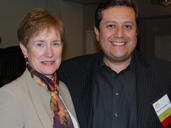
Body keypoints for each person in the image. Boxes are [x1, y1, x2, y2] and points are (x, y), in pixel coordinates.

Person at [57, 0, 171, 128]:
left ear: (136, 32)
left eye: (127, 26)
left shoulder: (166, 75)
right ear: (97, 32)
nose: (119, 34)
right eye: (111, 26)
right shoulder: (67, 73)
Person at [0, 8, 79, 128]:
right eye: (40, 44)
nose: (49, 53)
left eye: (55, 43)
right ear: (24, 48)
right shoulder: (11, 96)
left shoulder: (63, 89)